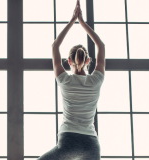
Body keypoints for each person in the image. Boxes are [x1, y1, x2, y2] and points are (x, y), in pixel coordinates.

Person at [38, 0, 105, 159]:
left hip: (68, 141)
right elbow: (101, 46)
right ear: (88, 61)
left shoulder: (64, 80)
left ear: (69, 61)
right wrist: (82, 22)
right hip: (91, 144)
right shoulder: (96, 80)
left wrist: (72, 21)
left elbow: (55, 46)